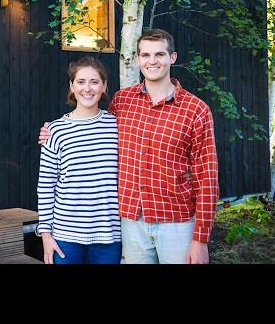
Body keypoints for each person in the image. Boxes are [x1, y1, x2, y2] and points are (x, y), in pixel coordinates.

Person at [38, 29, 219, 264]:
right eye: (145, 55)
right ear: (137, 59)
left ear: (172, 57)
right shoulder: (123, 103)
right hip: (131, 224)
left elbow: (207, 178)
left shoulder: (196, 110)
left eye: (159, 55)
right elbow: (87, 128)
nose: (152, 61)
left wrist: (201, 239)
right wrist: (50, 132)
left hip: (176, 222)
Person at [36, 56, 121, 264]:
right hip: (65, 235)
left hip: (109, 234)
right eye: (81, 82)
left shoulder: (118, 126)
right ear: (71, 87)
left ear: (104, 86)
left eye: (94, 82)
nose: (88, 88)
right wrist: (46, 235)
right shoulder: (55, 130)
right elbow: (46, 185)